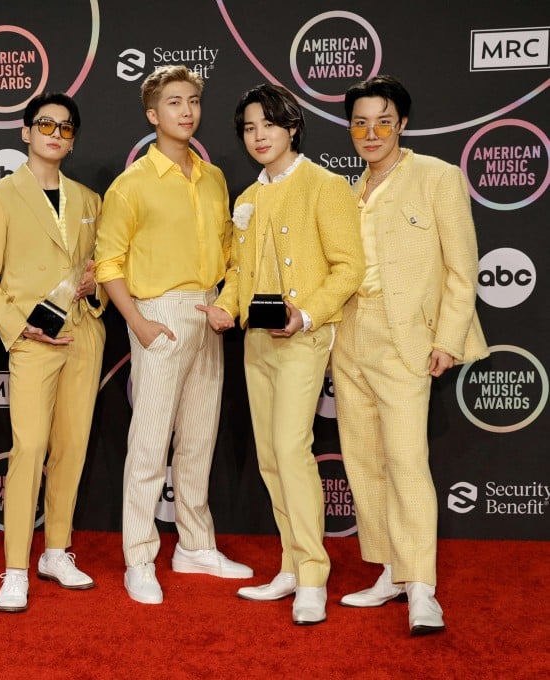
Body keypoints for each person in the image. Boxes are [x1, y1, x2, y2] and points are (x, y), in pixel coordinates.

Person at [332, 75, 488, 635]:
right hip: (348, 337)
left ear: (401, 123)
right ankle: (392, 572)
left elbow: (461, 267)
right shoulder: (346, 190)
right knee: (364, 461)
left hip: (406, 339)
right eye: (359, 122)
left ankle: (423, 587)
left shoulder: (438, 177)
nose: (370, 132)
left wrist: (446, 338)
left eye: (382, 120)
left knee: (405, 460)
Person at [205, 84, 364, 625]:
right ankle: (292, 565)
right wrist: (225, 307)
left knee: (293, 449)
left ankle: (314, 574)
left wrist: (307, 314)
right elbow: (235, 271)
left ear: (292, 126)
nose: (259, 136)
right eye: (249, 128)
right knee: (272, 456)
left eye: (268, 125)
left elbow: (348, 267)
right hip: (255, 340)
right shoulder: (246, 199)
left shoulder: (325, 185)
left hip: (303, 338)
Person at [94, 64, 252, 605]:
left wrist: (227, 303)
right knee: (148, 445)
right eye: (175, 103)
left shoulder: (213, 179)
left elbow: (231, 252)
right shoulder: (131, 185)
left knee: (199, 439)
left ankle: (194, 544)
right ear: (152, 115)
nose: (186, 112)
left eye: (193, 102)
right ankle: (139, 556)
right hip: (157, 313)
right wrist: (138, 323)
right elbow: (108, 262)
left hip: (211, 313)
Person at [0, 93, 105, 613]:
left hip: (84, 336)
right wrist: (18, 326)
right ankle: (15, 568)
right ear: (25, 132)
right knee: (28, 450)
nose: (55, 132)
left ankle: (55, 551)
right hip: (31, 341)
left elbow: (101, 274)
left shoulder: (90, 200)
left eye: (66, 127)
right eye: (45, 124)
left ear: (72, 140)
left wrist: (93, 288)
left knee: (71, 449)